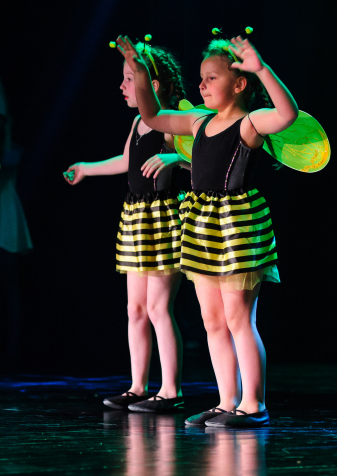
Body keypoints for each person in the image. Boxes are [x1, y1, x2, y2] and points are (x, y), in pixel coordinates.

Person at [116, 33, 299, 427]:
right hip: (202, 226)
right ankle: (227, 400)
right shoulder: (199, 121)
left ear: (239, 83)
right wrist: (141, 73)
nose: (201, 85)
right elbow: (152, 116)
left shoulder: (250, 123)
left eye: (212, 78)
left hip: (237, 226)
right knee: (213, 320)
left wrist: (262, 69)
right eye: (201, 78)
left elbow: (287, 114)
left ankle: (253, 404)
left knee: (238, 319)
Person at [64, 42, 188, 412]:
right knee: (136, 308)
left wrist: (175, 157)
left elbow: (203, 160)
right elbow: (126, 160)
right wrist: (87, 168)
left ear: (155, 84)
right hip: (137, 217)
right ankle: (137, 386)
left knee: (158, 308)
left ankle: (171, 391)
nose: (122, 86)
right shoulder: (137, 122)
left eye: (130, 79)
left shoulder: (173, 120)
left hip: (164, 217)